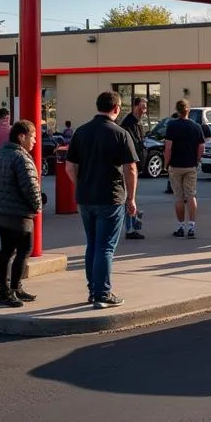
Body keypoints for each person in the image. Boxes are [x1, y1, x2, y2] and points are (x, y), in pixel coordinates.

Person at [65, 91, 139, 308]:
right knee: (105, 247)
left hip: (86, 198)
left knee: (93, 244)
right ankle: (102, 293)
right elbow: (131, 168)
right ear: (116, 108)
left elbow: (70, 167)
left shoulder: (81, 132)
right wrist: (131, 198)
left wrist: (81, 185)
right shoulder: (120, 134)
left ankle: (93, 290)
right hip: (111, 197)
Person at [0, 120, 42, 306]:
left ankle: (10, 290)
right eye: (32, 137)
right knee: (23, 249)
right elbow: (30, 187)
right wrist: (37, 206)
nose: (34, 141)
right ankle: (9, 290)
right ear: (21, 137)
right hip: (18, 213)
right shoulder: (21, 158)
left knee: (6, 250)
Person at [164, 99, 205, 239]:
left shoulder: (172, 125)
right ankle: (192, 226)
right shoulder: (196, 127)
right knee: (191, 195)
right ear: (188, 111)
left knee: (179, 198)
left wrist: (166, 163)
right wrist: (197, 160)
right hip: (190, 165)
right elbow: (201, 146)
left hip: (175, 165)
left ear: (177, 110)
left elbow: (168, 147)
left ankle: (180, 226)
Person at [120, 96, 148, 240]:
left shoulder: (138, 123)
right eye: (142, 107)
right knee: (129, 198)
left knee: (131, 198)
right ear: (135, 106)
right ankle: (130, 228)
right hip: (128, 165)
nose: (144, 110)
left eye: (145, 107)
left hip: (135, 165)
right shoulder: (128, 123)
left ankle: (132, 224)